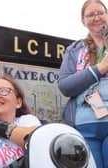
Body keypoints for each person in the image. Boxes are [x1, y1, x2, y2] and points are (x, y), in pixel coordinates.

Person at [58, 0, 108, 167]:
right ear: (83, 21)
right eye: (90, 15)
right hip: (84, 126)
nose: (96, 18)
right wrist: (99, 69)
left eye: (100, 13)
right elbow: (65, 86)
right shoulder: (74, 50)